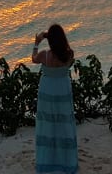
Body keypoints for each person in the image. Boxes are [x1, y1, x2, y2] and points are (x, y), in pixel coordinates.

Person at [31, 23, 78, 174]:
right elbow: (66, 61)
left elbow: (33, 59)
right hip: (62, 90)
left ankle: (48, 160)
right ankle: (65, 160)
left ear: (50, 40)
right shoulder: (69, 55)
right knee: (63, 124)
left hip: (47, 91)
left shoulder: (44, 55)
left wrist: (37, 42)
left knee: (48, 124)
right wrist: (49, 35)